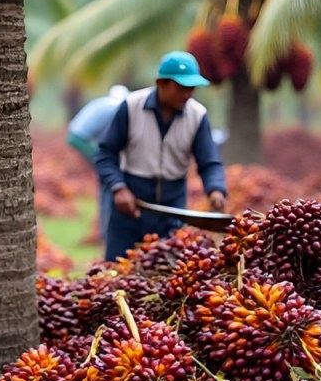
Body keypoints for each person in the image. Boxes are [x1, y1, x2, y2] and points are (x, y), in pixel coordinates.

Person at [96, 51, 227, 261]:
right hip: (131, 205)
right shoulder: (131, 107)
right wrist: (118, 187)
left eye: (191, 88)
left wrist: (215, 189)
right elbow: (105, 153)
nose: (187, 94)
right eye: (181, 88)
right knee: (117, 269)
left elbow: (209, 161)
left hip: (172, 207)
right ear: (161, 83)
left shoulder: (197, 115)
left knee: (168, 270)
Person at [66, 84, 131, 238]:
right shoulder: (114, 109)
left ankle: (106, 229)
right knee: (110, 178)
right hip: (78, 138)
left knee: (108, 179)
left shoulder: (104, 104)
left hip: (77, 136)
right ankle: (106, 230)